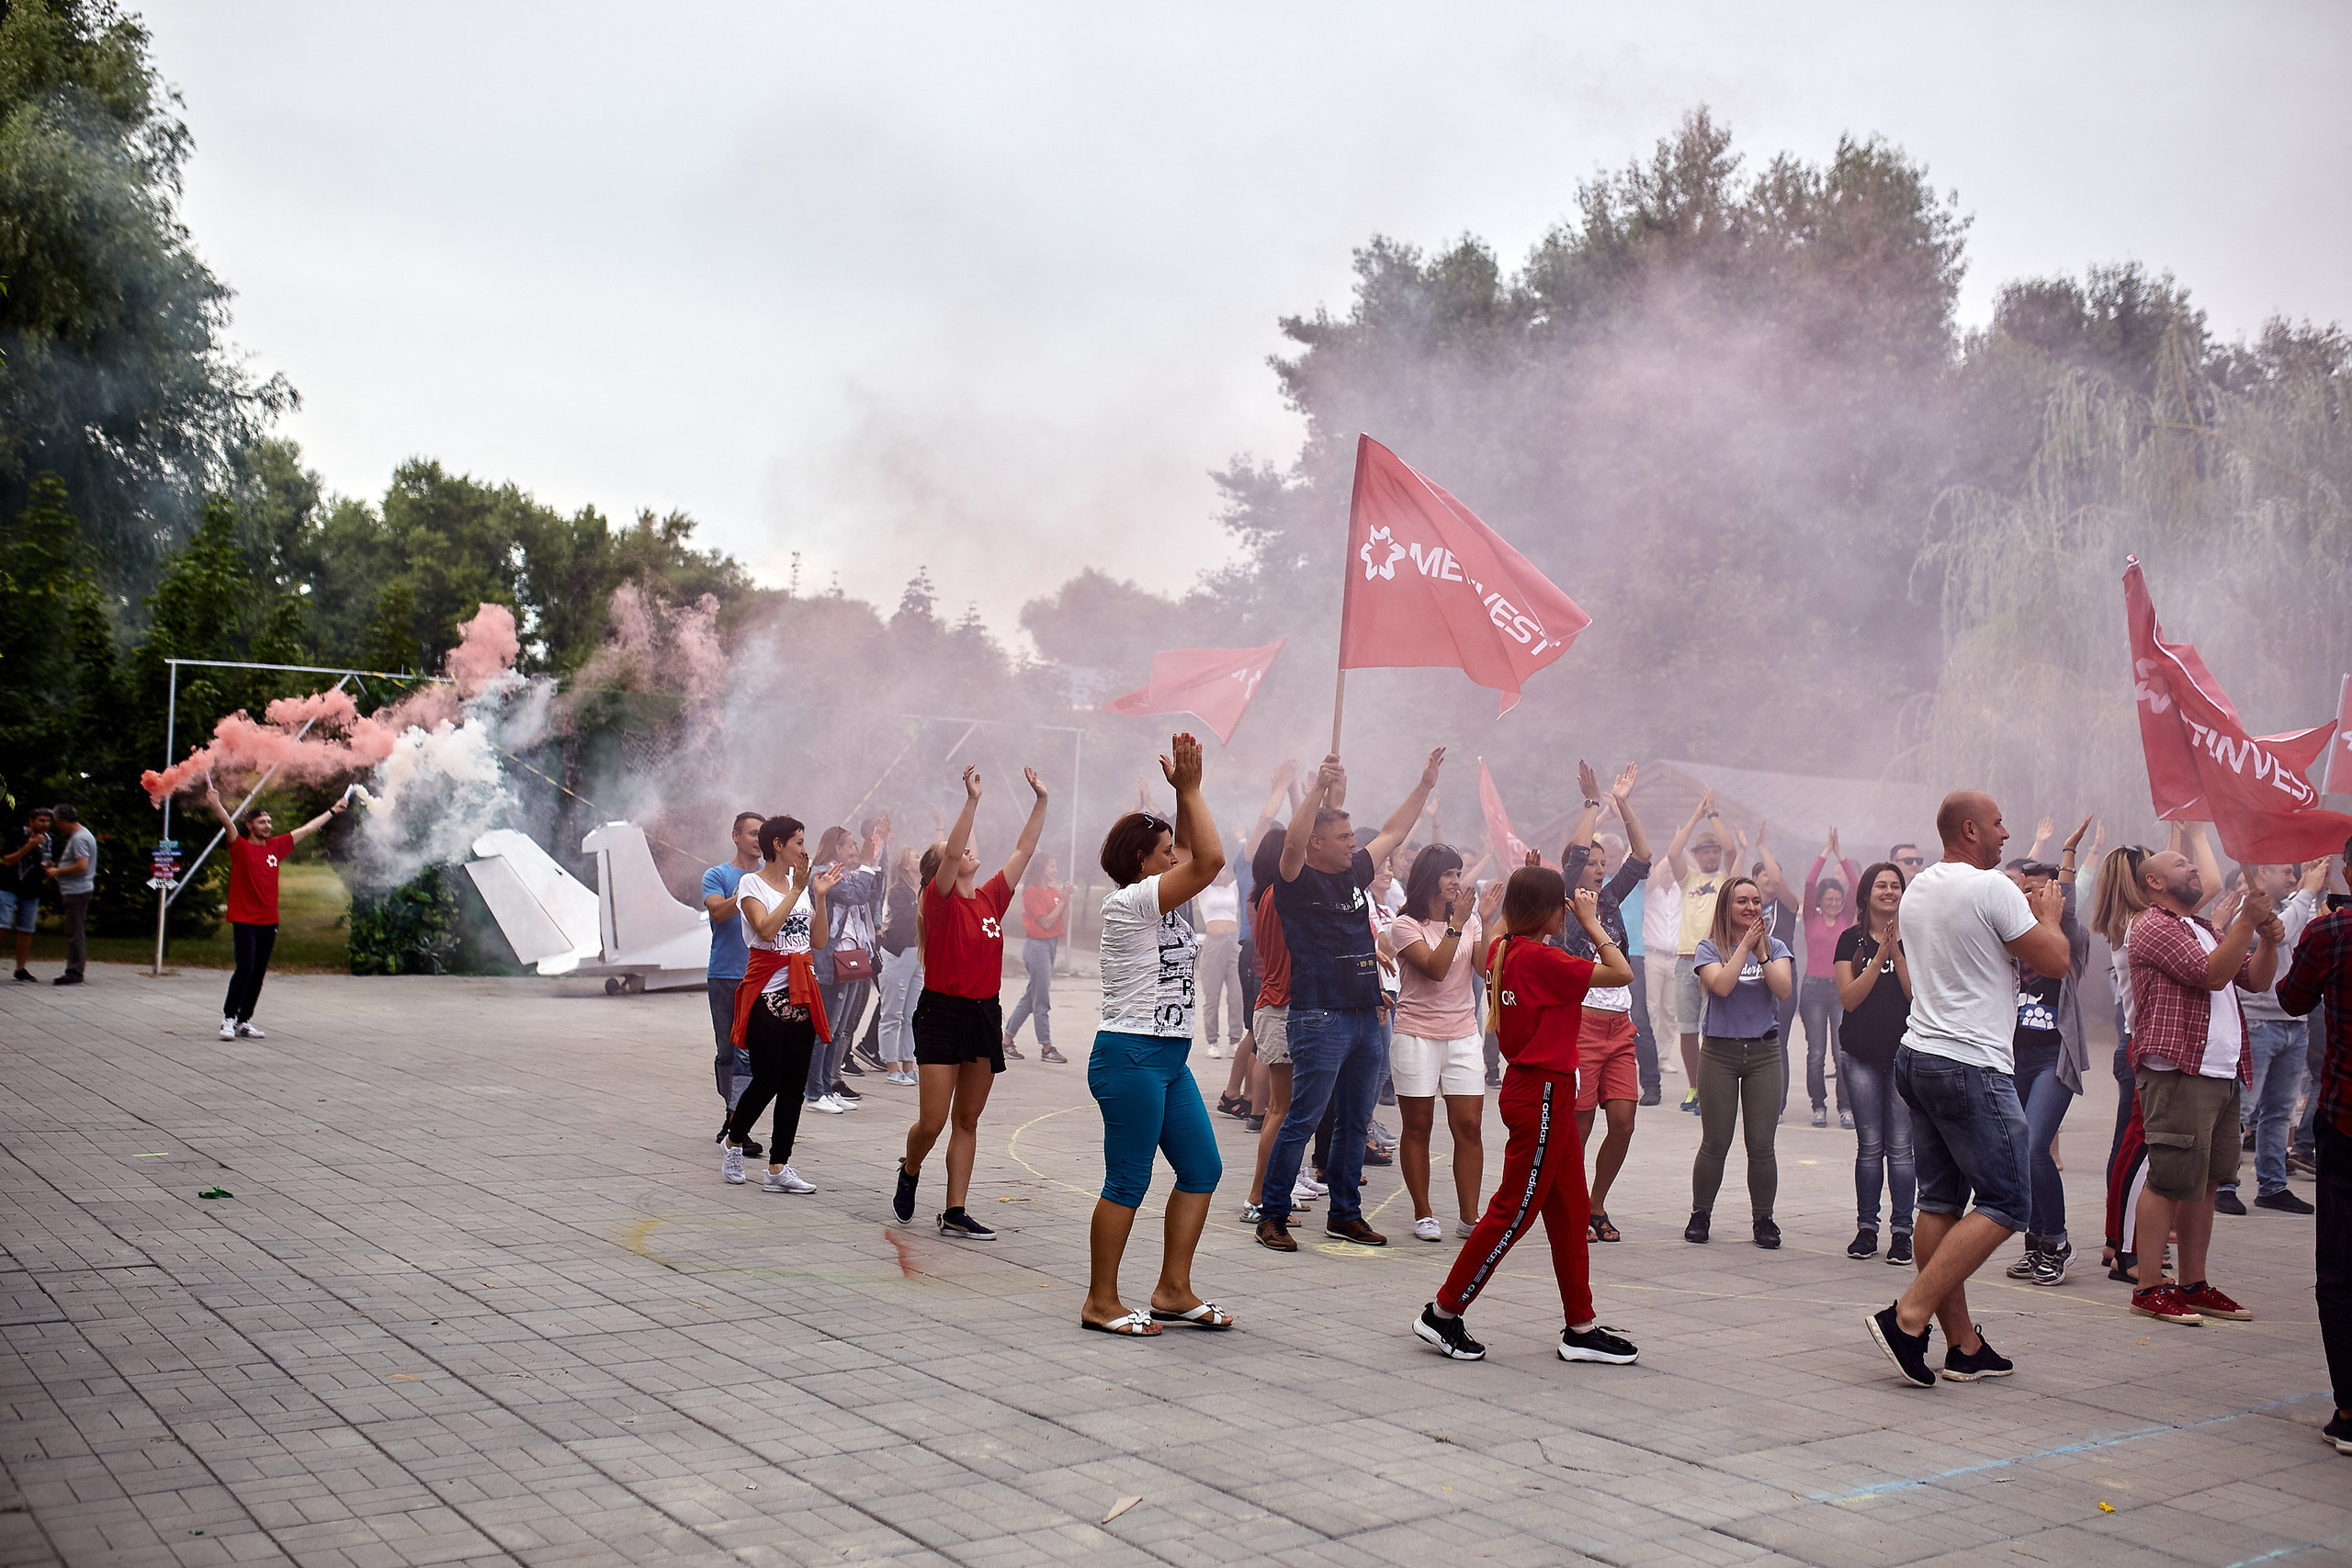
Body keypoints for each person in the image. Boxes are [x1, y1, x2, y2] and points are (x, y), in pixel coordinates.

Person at [1865, 791, 2071, 1387]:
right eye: (2001, 824)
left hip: (1919, 1053)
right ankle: (1907, 1316)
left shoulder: (1923, 885)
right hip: (1970, 1064)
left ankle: (1962, 1344)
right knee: (2010, 1201)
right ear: (1972, 828)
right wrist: (2049, 914)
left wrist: (2021, 911)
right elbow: (2054, 960)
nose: (2008, 834)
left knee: (1939, 1202)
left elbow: (1986, 949)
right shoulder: (1991, 888)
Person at [1412, 863, 1639, 1366]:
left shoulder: (1504, 949)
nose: (1568, 910)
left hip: (1539, 1090)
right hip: (1541, 1091)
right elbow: (1622, 973)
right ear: (1547, 910)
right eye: (1561, 904)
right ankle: (1443, 1312)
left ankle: (1581, 1326)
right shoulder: (1543, 959)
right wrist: (1593, 921)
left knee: (1571, 1209)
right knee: (1514, 1209)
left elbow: (1496, 932)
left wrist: (1523, 891)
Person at [1254, 748, 1443, 1252]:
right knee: (1304, 1118)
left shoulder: (1354, 872)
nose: (1354, 844)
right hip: (1319, 1017)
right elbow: (1292, 840)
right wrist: (1316, 788)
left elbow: (1393, 833)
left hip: (1366, 1014)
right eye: (1342, 837)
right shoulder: (1296, 879)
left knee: (1354, 1123)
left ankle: (1345, 1214)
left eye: (1352, 836)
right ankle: (1271, 1214)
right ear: (1316, 843)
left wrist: (1424, 786)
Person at [1080, 733, 1230, 1337]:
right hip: (1130, 1055)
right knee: (1128, 1180)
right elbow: (1211, 860)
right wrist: (1190, 790)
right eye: (1165, 851)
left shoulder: (1166, 896)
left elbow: (1197, 848)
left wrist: (1184, 795)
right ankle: (1101, 1300)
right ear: (1142, 860)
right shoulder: (1133, 903)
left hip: (1169, 1059)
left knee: (1202, 1168)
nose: (1176, 858)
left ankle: (1172, 1289)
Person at [2121, 844, 2282, 1325]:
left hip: (2221, 1068)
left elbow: (2253, 979)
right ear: (2154, 882)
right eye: (2179, 864)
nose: (2192, 867)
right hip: (2178, 1070)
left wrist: (2268, 940)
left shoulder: (2206, 928)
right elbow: (2211, 975)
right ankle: (2149, 1285)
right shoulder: (2152, 925)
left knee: (2207, 1183)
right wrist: (2247, 924)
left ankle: (2193, 1283)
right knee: (2169, 1178)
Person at [894, 762, 1049, 1239]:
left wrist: (1042, 800)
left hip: (983, 1014)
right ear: (942, 866)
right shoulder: (938, 903)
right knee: (933, 1120)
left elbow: (1024, 849)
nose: (966, 851)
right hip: (941, 1014)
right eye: (953, 851)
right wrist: (972, 801)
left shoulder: (990, 897)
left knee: (967, 1118)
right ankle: (910, 1166)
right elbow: (951, 852)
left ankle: (954, 1211)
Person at [2273, 838, 2352, 1454]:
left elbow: (2291, 998)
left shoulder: (2330, 933)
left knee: (2341, 1270)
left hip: (2344, 1120)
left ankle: (2349, 1408)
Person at [1557, 761, 1652, 1244]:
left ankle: (1597, 1203)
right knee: (1582, 1121)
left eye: (1601, 863)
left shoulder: (1610, 900)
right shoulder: (1570, 903)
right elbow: (1575, 852)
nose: (1600, 868)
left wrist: (1623, 803)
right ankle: (1574, 1206)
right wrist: (1592, 804)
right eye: (1592, 862)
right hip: (1584, 1024)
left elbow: (1642, 855)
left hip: (1621, 1026)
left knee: (1624, 1121)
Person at [1998, 819, 2095, 1289]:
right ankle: (2036, 1245)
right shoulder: (2013, 937)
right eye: (2028, 890)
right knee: (2019, 1150)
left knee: (2037, 1145)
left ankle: (2057, 1242)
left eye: (2043, 890)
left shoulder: (2068, 941)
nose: (2035, 897)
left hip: (2053, 1060)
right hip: (2011, 1058)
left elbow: (2070, 913)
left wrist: (2069, 856)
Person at [720, 817, 836, 1194]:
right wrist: (797, 890)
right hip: (765, 994)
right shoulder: (750, 883)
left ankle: (778, 1166)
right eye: (798, 842)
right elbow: (766, 930)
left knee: (794, 1084)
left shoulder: (798, 886)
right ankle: (734, 1140)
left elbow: (817, 941)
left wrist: (817, 895)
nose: (804, 850)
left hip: (802, 993)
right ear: (778, 845)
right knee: (768, 1078)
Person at [1686, 874, 1795, 1247]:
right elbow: (1722, 985)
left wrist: (1761, 951)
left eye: (1755, 901)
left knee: (1762, 1144)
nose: (1751, 908)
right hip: (1719, 1052)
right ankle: (1700, 1213)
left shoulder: (1777, 947)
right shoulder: (1709, 948)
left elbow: (1783, 989)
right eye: (1742, 901)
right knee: (1715, 1141)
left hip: (1764, 1053)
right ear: (1726, 908)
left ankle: (1764, 1219)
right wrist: (1743, 949)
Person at [1384, 842, 1486, 1243]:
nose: (1456, 882)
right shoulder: (1405, 924)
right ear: (1429, 878)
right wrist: (1457, 924)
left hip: (1463, 1033)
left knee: (1470, 1126)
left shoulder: (1470, 920)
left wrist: (1488, 920)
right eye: (1449, 874)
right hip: (1416, 1035)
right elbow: (1436, 970)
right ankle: (1424, 1212)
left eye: (1459, 873)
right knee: (1419, 1126)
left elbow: (1482, 967)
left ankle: (1470, 1217)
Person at [199, 782, 345, 1037]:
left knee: (257, 972)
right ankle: (228, 1019)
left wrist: (333, 810)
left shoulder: (275, 848)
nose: (268, 825)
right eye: (262, 822)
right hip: (245, 919)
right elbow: (228, 825)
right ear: (250, 826)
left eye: (269, 822)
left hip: (269, 921)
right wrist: (216, 804)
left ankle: (244, 1021)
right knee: (244, 968)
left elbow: (308, 828)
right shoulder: (240, 847)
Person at [1836, 861, 1915, 1263]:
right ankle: (1867, 1229)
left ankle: (1903, 1232)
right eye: (1880, 886)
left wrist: (1896, 951)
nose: (1888, 892)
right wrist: (1877, 954)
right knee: (1869, 1146)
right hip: (1861, 1055)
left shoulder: (1918, 937)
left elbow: (1915, 995)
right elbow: (1849, 999)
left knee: (1901, 1148)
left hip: (1905, 1055)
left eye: (1895, 886)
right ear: (1866, 894)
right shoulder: (1849, 940)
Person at [2238, 859, 2324, 1214]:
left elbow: (2307, 933)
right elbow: (2279, 933)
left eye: (2296, 873)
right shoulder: (2247, 907)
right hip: (2258, 1022)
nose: (2293, 878)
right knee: (2241, 1110)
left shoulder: (2296, 906)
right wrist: (2306, 891)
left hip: (2295, 1023)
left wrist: (2311, 895)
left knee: (2280, 1112)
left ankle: (2272, 1186)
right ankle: (2225, 1183)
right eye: (2286, 872)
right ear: (2262, 873)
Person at [2093, 842, 2155, 1279]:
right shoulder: (2139, 925)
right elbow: (2205, 887)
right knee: (2137, 1153)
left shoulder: (2126, 923)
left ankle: (2118, 1241)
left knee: (2128, 1149)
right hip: (2140, 1048)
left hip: (2132, 1046)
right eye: (2151, 873)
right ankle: (2126, 1249)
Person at [1667, 790, 1744, 1113]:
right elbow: (1673, 854)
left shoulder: (1727, 879)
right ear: (1696, 854)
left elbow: (1731, 848)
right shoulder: (1690, 879)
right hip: (1685, 960)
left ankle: (1712, 1089)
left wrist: (1713, 814)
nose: (1711, 855)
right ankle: (1694, 1087)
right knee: (1687, 1029)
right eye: (1705, 851)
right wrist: (1695, 816)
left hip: (1714, 959)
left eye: (1713, 851)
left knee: (1710, 1029)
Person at [806, 820, 888, 1110]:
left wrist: (876, 858)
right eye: (851, 843)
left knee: (840, 1029)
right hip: (831, 961)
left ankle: (828, 1085)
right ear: (836, 848)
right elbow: (855, 893)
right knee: (826, 1028)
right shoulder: (823, 873)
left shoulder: (851, 874)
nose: (855, 848)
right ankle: (814, 1090)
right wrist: (866, 866)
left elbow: (873, 893)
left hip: (853, 958)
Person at [702, 812, 766, 1152]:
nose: (759, 839)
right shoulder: (718, 875)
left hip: (761, 975)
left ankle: (736, 1122)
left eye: (763, 834)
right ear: (736, 836)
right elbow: (718, 913)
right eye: (753, 833)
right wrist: (746, 889)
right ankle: (730, 1113)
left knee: (749, 1053)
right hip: (725, 974)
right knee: (727, 1050)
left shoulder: (772, 876)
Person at [1239, 829, 1292, 1219]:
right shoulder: (1280, 897)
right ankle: (1259, 1197)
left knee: (1285, 1109)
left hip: (1281, 1007)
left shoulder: (1267, 895)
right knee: (1281, 1109)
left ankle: (1274, 1190)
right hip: (1280, 1008)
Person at [1800, 828, 1861, 1129]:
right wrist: (1825, 852)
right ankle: (1818, 1106)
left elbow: (1857, 884)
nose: (1835, 902)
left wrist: (1841, 854)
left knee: (1841, 1052)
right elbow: (1810, 882)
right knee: (1816, 1053)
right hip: (1812, 989)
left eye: (1839, 898)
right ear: (1820, 901)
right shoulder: (1811, 917)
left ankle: (1845, 1107)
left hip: (1840, 990)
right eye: (1830, 898)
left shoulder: (1848, 920)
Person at [1005, 852, 1071, 1065]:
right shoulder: (1032, 892)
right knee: (1041, 999)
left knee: (1030, 998)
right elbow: (1045, 922)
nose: (1055, 870)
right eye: (1052, 866)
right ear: (1042, 868)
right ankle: (1046, 1047)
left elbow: (1063, 921)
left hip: (1051, 945)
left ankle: (1006, 1041)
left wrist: (1065, 899)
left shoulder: (1052, 892)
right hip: (1037, 948)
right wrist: (1061, 901)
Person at [872, 846, 925, 1086]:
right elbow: (905, 920)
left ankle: (908, 1063)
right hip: (897, 953)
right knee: (892, 1012)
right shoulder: (898, 892)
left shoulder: (922, 889)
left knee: (912, 1013)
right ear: (905, 865)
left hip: (918, 954)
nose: (920, 857)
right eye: (916, 855)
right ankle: (891, 1066)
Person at [1191, 858, 1243, 1063]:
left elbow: (1246, 868)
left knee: (1237, 995)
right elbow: (1197, 871)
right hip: (1213, 943)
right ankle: (1212, 1042)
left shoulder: (1233, 889)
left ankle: (1235, 1041)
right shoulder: (1205, 891)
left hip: (1233, 943)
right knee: (1212, 996)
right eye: (1218, 872)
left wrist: (1242, 840)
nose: (1221, 874)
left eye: (1224, 871)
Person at [45, 804, 95, 986]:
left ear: (64, 821)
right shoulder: (81, 835)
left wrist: (57, 872)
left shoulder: (79, 838)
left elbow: (82, 865)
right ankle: (74, 971)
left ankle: (75, 973)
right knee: (74, 931)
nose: (56, 825)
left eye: (57, 822)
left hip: (77, 891)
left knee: (75, 933)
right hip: (76, 890)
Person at [2, 807, 52, 982]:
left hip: (31, 889)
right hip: (9, 886)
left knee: (26, 929)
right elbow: (7, 860)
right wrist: (29, 846)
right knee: (2, 925)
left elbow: (44, 861)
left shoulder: (47, 840)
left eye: (47, 821)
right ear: (31, 821)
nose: (45, 825)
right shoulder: (17, 834)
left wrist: (47, 866)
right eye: (41, 820)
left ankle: (20, 968)